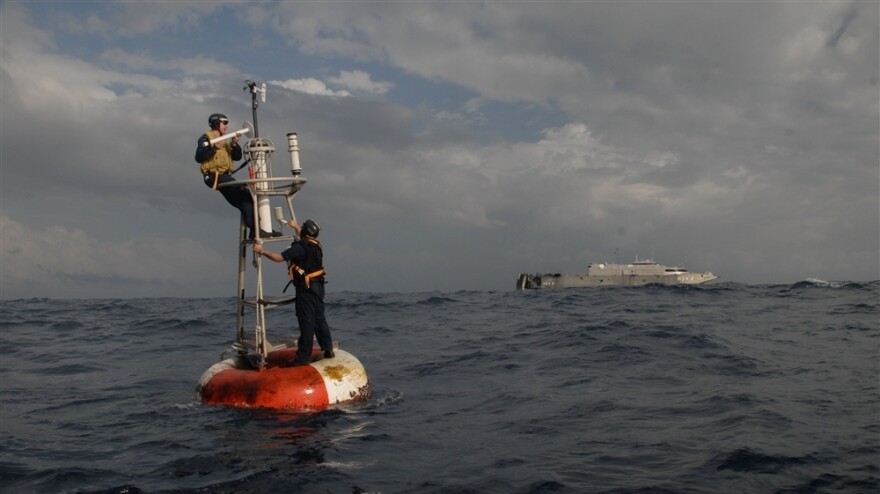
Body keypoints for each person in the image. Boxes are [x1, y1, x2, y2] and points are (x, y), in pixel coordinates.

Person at [254, 219, 334, 366]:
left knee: (307, 322)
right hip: (318, 288)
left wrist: (262, 251)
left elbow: (278, 258)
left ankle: (303, 358)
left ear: (306, 232)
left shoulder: (299, 248)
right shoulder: (316, 245)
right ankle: (328, 349)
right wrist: (295, 226)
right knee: (320, 319)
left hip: (306, 290)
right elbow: (304, 238)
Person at [195, 113, 278, 238]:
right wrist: (214, 149)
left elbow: (237, 157)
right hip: (214, 176)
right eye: (224, 123)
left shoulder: (226, 139)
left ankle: (256, 229)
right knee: (243, 191)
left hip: (224, 176)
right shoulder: (206, 139)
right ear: (216, 123)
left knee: (243, 199)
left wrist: (234, 144)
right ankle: (256, 229)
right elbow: (198, 157)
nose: (227, 126)